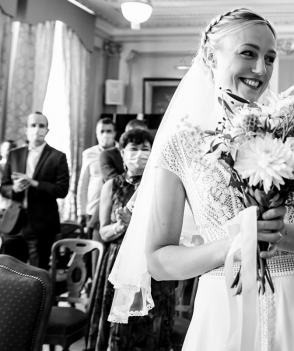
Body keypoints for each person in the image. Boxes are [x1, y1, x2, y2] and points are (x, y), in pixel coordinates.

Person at [108, 8, 294, 351]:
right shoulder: (180, 147)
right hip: (223, 309)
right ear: (210, 56)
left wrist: (282, 234)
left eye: (269, 58)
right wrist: (233, 245)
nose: (261, 69)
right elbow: (159, 261)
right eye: (248, 53)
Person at [86, 128, 174, 351]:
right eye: (133, 149)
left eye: (145, 149)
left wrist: (137, 224)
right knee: (119, 325)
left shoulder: (160, 185)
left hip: (150, 260)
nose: (139, 154)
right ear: (122, 153)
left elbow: (170, 227)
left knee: (150, 325)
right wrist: (121, 226)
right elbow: (103, 232)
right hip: (119, 261)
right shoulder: (111, 186)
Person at [0, 112, 70, 269]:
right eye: (33, 125)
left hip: (41, 223)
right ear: (26, 129)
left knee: (37, 272)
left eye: (41, 126)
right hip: (13, 222)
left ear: (47, 130)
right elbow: (4, 187)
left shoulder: (57, 157)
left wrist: (34, 183)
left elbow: (62, 190)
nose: (37, 129)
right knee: (7, 272)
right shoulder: (14, 155)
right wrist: (15, 188)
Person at [78, 118, 117, 232]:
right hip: (93, 208)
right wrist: (81, 211)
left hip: (113, 208)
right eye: (102, 131)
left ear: (114, 133)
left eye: (109, 131)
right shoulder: (88, 153)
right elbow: (83, 184)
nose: (105, 134)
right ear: (96, 134)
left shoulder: (121, 151)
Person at [0, 140, 17, 214]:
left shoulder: (17, 167)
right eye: (7, 149)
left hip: (13, 206)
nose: (9, 151)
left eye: (12, 149)